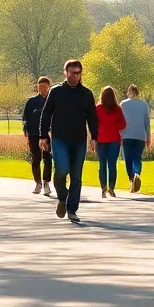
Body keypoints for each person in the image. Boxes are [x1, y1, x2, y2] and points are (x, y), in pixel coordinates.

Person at [39, 60, 98, 223]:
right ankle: (62, 199)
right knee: (61, 171)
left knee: (76, 177)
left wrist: (94, 137)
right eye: (73, 73)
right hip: (60, 139)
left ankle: (72, 210)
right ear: (66, 73)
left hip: (79, 140)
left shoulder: (86, 94)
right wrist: (43, 136)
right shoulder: (56, 92)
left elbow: (92, 117)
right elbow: (46, 114)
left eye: (78, 73)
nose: (76, 76)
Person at [22, 77, 53, 196]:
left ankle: (46, 182)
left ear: (48, 87)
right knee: (36, 158)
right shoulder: (31, 101)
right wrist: (25, 127)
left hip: (47, 133)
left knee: (48, 158)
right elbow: (25, 117)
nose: (42, 89)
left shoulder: (51, 100)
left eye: (44, 87)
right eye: (40, 87)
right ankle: (38, 182)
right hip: (33, 133)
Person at [95, 85, 126, 199]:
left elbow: (94, 124)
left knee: (102, 164)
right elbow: (123, 124)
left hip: (101, 139)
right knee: (112, 165)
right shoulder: (117, 109)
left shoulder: (98, 108)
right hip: (114, 139)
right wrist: (113, 126)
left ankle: (103, 188)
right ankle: (111, 188)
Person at [120, 84, 151, 193]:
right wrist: (148, 138)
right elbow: (147, 123)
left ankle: (131, 179)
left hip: (126, 135)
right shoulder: (144, 104)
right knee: (137, 157)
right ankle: (137, 173)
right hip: (140, 135)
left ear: (129, 92)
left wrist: (119, 135)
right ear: (138, 92)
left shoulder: (123, 104)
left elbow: (119, 121)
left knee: (128, 159)